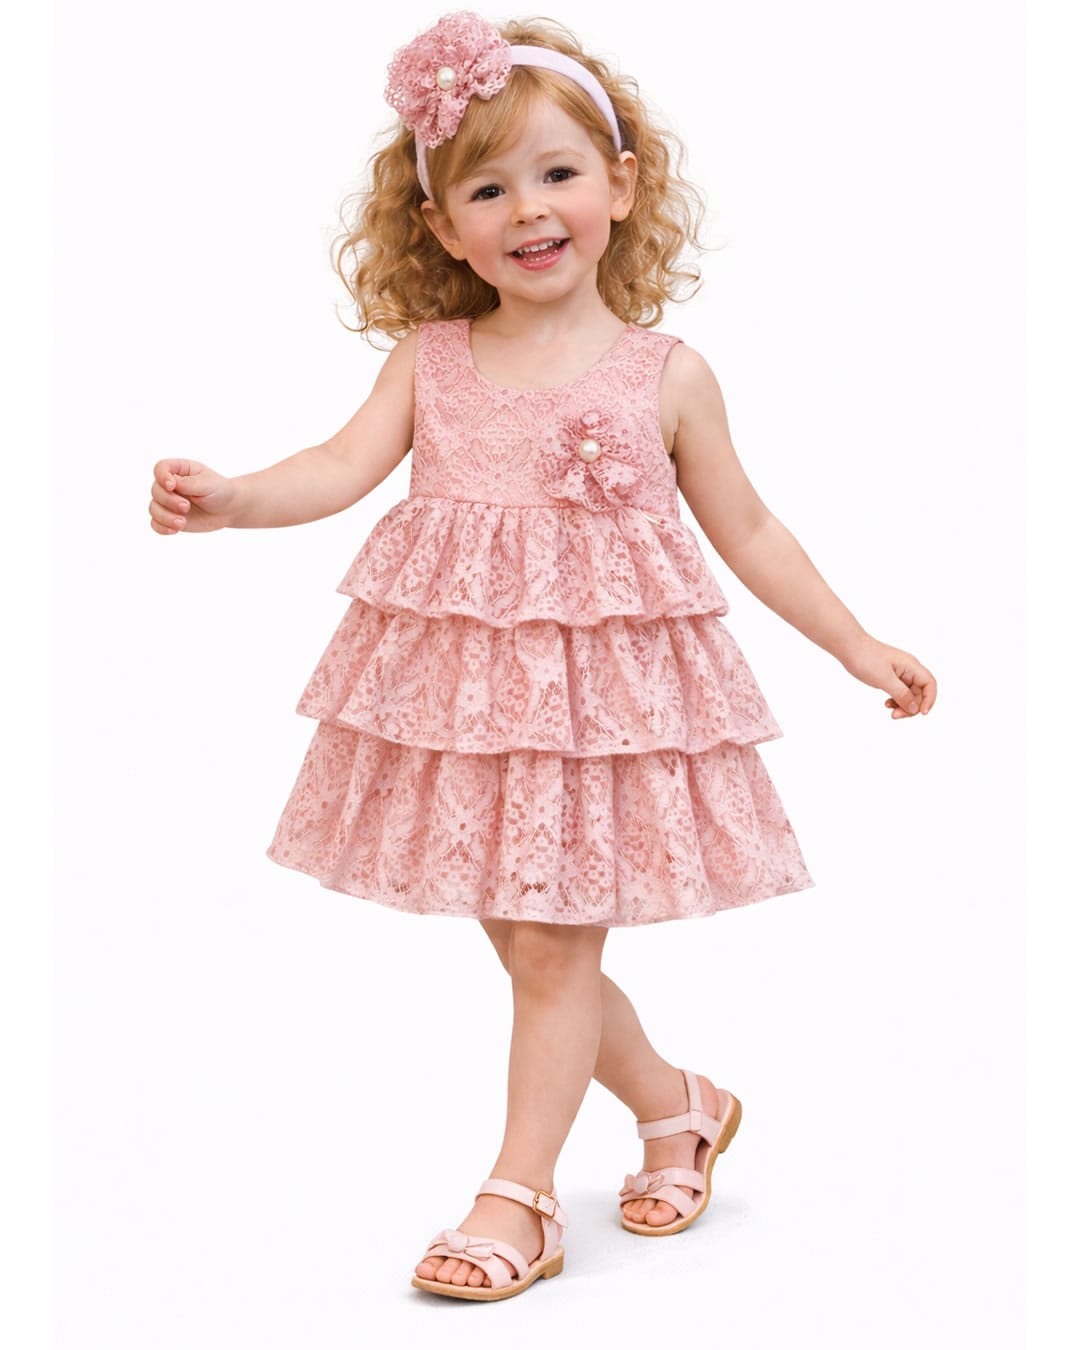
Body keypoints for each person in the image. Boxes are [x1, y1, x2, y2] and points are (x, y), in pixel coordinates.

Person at [147, 11, 937, 1303]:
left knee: (558, 954)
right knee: (533, 954)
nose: (528, 207)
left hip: (602, 713)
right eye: (487, 187)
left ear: (620, 187)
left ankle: (517, 1197)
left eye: (558, 172)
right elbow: (337, 467)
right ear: (441, 224)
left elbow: (749, 527)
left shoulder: (667, 376)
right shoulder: (431, 362)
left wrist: (856, 643)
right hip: (470, 710)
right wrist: (234, 499)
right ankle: (680, 1105)